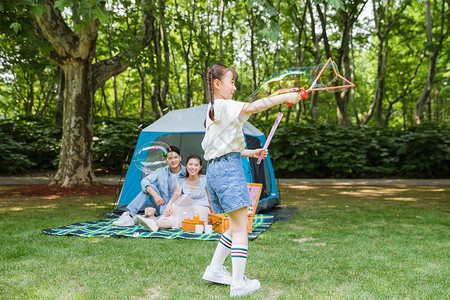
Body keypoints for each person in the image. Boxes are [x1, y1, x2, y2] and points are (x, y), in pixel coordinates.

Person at [200, 64, 300, 297]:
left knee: (236, 225)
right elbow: (255, 106)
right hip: (227, 171)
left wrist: (250, 153)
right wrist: (284, 96)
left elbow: (220, 147)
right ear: (217, 84)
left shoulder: (213, 109)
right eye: (231, 82)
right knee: (241, 228)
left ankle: (215, 270)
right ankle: (238, 285)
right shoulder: (225, 105)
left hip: (215, 170)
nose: (234, 88)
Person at [112, 145, 187, 227]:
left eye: (175, 157)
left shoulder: (187, 172)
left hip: (179, 209)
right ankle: (129, 216)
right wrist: (155, 195)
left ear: (180, 158)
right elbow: (145, 181)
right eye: (170, 158)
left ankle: (151, 218)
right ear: (166, 160)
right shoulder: (161, 171)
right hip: (162, 207)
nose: (173, 160)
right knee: (149, 187)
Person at [137, 154, 212, 232]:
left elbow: (211, 200)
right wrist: (169, 206)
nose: (193, 167)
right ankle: (155, 224)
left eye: (196, 165)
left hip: (201, 211)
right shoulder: (181, 181)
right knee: (175, 216)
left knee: (185, 198)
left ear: (200, 167)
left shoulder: (205, 179)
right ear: (186, 166)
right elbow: (176, 194)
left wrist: (214, 216)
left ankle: (153, 222)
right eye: (190, 164)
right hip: (187, 211)